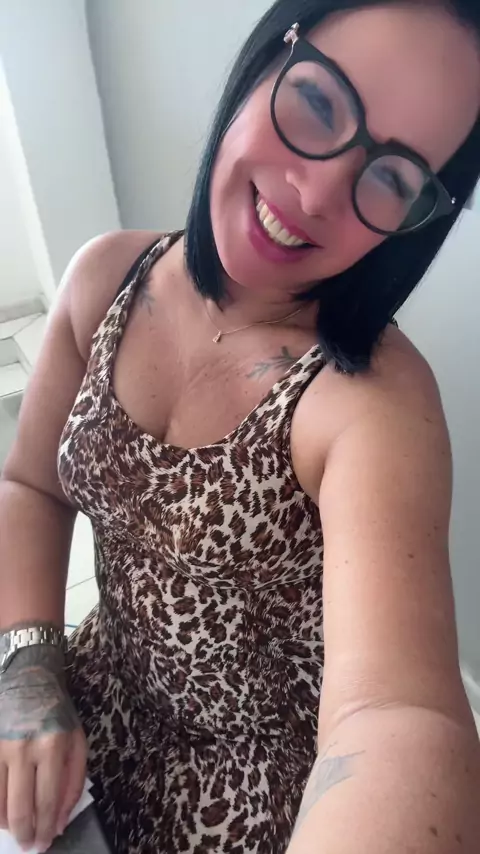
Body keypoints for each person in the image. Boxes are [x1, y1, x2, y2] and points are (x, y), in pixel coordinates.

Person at [1, 0, 480, 852]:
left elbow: (397, 716)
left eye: (393, 178)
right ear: (264, 60)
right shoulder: (107, 277)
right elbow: (31, 486)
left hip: (252, 802)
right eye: (320, 103)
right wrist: (28, 667)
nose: (318, 192)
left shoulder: (370, 406)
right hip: (90, 715)